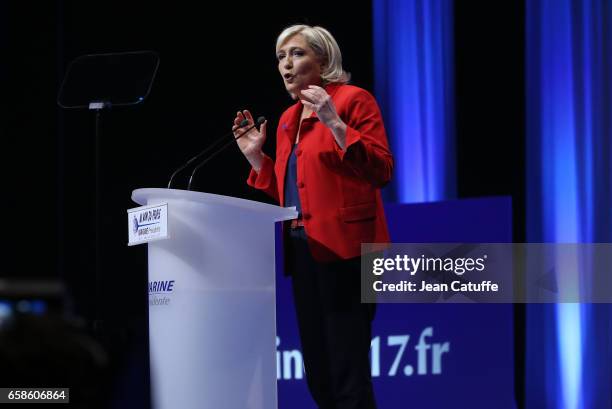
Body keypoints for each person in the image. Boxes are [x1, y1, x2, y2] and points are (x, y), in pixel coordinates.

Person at [232, 24, 392, 409]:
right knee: (318, 374)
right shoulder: (287, 119)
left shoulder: (354, 100)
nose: (286, 65)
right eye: (281, 58)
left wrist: (335, 123)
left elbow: (382, 170)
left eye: (297, 54)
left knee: (348, 373)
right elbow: (293, 192)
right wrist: (257, 158)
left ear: (323, 58)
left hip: (347, 251)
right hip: (303, 251)